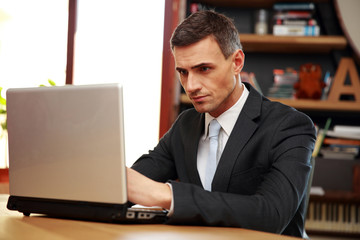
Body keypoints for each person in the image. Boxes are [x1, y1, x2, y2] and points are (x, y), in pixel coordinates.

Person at [127, 10, 316, 238]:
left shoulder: (290, 126)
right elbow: (132, 185)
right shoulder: (185, 124)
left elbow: (271, 214)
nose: (191, 85)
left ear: (237, 62)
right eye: (183, 72)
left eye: (203, 69)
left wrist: (169, 196)